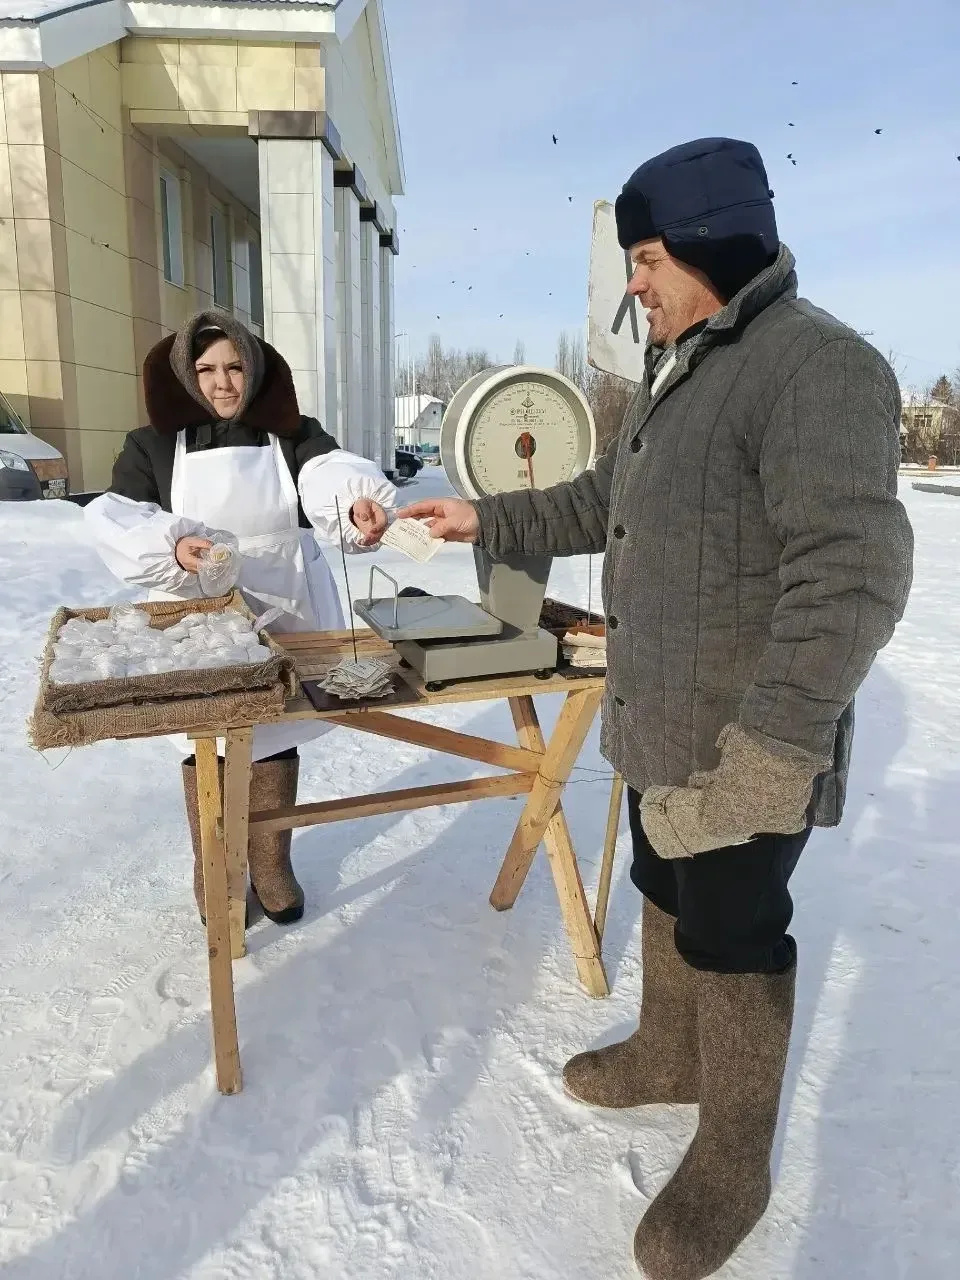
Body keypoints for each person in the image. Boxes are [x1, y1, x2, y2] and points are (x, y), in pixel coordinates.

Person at [400, 138, 914, 1279]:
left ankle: (733, 1153)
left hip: (743, 748)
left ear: (713, 235)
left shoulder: (813, 365)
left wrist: (773, 755)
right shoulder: (680, 365)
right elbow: (607, 499)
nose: (634, 281)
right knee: (659, 884)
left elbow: (853, 573)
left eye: (646, 256)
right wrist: (486, 521)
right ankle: (668, 1054)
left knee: (734, 933)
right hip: (659, 729)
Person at [86, 311, 397, 927]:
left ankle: (271, 861)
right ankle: (216, 870)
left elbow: (327, 472)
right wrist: (170, 548)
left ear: (255, 371)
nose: (222, 383)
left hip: (289, 606)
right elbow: (120, 515)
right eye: (206, 369)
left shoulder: (293, 434)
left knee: (276, 734)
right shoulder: (151, 445)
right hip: (200, 610)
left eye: (234, 367)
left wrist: (356, 497)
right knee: (209, 736)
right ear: (185, 375)